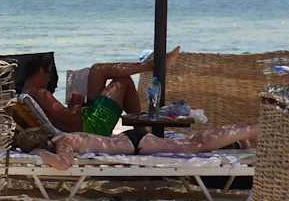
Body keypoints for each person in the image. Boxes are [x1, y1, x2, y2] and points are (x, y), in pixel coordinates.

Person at [20, 48, 181, 137]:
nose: (49, 79)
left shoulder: (28, 93)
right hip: (91, 127)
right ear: (40, 71)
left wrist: (77, 106)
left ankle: (150, 65)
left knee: (98, 70)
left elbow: (63, 120)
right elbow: (72, 120)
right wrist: (76, 104)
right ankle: (141, 131)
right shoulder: (41, 94)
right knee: (123, 81)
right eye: (48, 74)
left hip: (86, 121)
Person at [14, 123, 256, 171]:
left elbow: (63, 164)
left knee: (194, 145)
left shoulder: (63, 142)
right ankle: (241, 135)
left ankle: (249, 130)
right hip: (132, 141)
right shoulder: (64, 137)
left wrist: (39, 154)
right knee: (193, 142)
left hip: (136, 144)